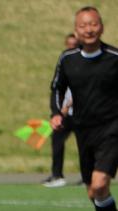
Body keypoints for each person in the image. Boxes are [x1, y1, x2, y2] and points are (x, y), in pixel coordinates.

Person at [50, 6, 118, 211]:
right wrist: (57, 113)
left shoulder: (114, 57)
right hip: (83, 131)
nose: (89, 29)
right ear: (76, 29)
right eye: (83, 25)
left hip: (112, 130)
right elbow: (57, 88)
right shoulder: (67, 59)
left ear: (101, 26)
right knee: (93, 191)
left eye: (93, 24)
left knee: (100, 184)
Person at [43, 33, 79, 188]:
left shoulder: (83, 62)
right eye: (69, 44)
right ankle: (57, 175)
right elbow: (57, 87)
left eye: (74, 45)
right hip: (64, 115)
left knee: (85, 146)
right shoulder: (64, 62)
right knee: (57, 142)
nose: (71, 47)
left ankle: (87, 177)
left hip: (80, 113)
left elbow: (84, 89)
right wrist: (57, 111)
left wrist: (68, 105)